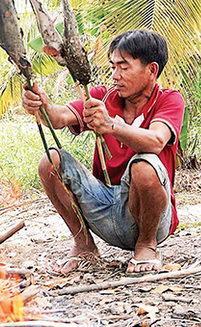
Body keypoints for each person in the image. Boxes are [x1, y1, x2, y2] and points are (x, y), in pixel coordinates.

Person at [21, 29, 184, 274]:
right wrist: (41, 105)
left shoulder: (169, 100)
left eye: (124, 67)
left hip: (152, 219)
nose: (115, 76)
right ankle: (84, 245)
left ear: (151, 70)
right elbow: (58, 117)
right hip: (105, 208)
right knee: (51, 161)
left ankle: (147, 246)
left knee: (144, 166)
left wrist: (112, 125)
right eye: (112, 67)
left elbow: (155, 141)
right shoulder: (102, 96)